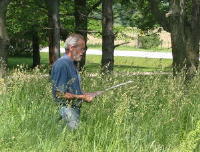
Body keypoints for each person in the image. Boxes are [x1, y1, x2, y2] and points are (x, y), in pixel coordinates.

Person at [51, 33, 98, 130]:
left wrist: (86, 94)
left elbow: (70, 90)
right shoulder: (62, 64)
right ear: (72, 48)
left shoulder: (71, 64)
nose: (83, 52)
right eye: (82, 48)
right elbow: (59, 94)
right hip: (66, 111)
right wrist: (83, 97)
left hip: (72, 110)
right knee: (69, 140)